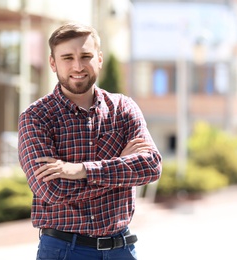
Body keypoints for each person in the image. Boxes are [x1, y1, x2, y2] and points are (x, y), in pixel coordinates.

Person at [18, 22, 162, 260]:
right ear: (53, 63)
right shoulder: (36, 117)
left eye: (86, 56)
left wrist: (81, 170)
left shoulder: (124, 108)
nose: (78, 66)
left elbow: (151, 166)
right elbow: (51, 189)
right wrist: (121, 166)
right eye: (67, 58)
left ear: (100, 58)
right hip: (64, 250)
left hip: (122, 248)